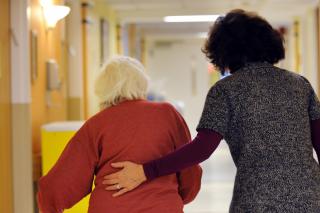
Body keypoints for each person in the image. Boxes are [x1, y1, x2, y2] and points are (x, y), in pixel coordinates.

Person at [102, 9, 320, 212]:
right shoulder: (300, 84)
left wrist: (145, 171)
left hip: (256, 200)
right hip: (311, 197)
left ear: (224, 50)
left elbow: (202, 148)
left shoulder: (226, 90)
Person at [37, 56, 202, 213]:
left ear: (103, 88)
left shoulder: (96, 124)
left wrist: (49, 206)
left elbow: (57, 185)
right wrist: (174, 197)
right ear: (142, 83)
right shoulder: (167, 114)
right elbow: (189, 169)